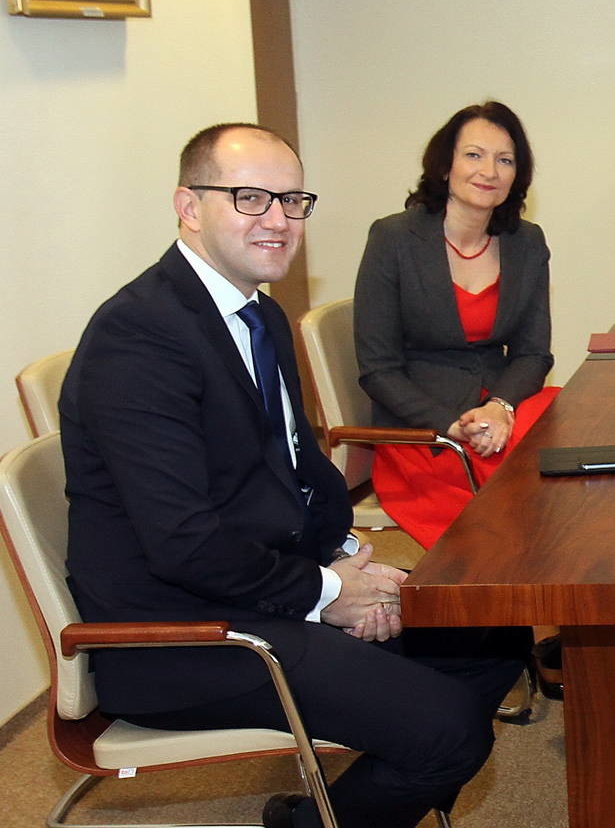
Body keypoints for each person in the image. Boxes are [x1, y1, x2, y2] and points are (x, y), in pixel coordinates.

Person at [60, 124, 527, 828]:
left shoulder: (259, 314)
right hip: (180, 635)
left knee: (495, 631)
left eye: (292, 200)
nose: (278, 220)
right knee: (449, 731)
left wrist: (347, 560)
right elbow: (184, 544)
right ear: (188, 207)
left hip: (256, 584)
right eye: (249, 198)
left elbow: (293, 467)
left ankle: (332, 810)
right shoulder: (139, 338)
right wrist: (328, 595)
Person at [353, 101, 561, 695]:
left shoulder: (527, 241)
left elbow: (534, 353)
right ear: (445, 164)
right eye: (474, 154)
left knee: (569, 444)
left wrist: (501, 407)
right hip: (421, 423)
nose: (488, 171)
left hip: (500, 405)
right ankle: (512, 633)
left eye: (505, 160)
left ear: (518, 174)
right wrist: (450, 423)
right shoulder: (394, 238)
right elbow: (377, 368)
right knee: (520, 487)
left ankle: (558, 618)